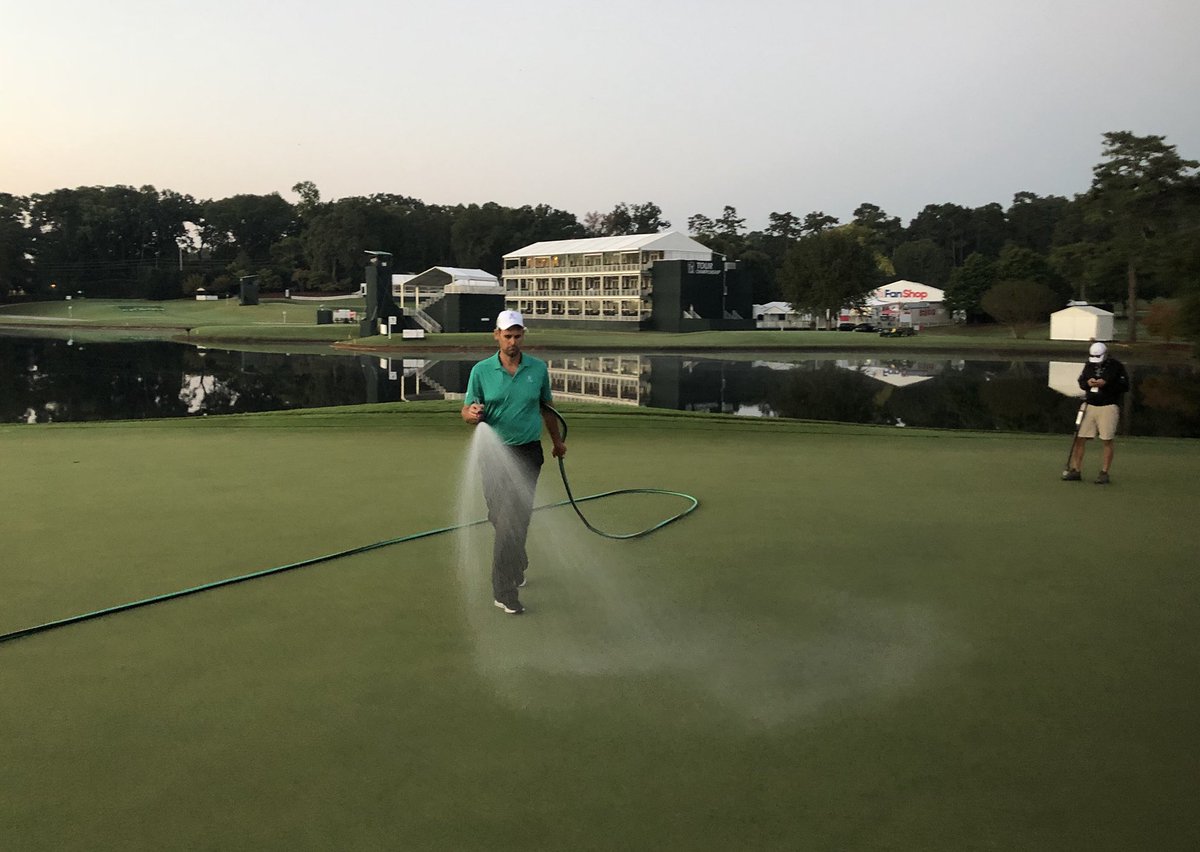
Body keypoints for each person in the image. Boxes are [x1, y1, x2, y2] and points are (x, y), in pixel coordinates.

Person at [461, 310, 566, 614]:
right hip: (494, 454)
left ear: (523, 336)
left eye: (517, 336)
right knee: (500, 518)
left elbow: (547, 409)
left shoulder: (537, 368)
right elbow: (466, 411)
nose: (512, 341)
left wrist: (557, 442)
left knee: (514, 520)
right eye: (507, 336)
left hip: (528, 452)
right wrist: (472, 414)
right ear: (496, 335)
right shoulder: (481, 371)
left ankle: (504, 591)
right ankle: (517, 560)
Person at [1063, 341, 1129, 485]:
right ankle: (1076, 470)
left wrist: (1106, 384)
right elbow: (1081, 381)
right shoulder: (1089, 365)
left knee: (1107, 439)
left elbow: (1125, 386)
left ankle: (1104, 473)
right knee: (1079, 437)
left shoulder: (1116, 366)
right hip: (1089, 405)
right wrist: (1088, 383)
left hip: (1108, 406)